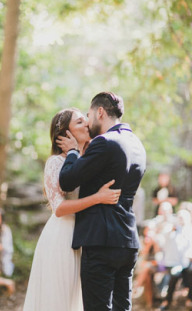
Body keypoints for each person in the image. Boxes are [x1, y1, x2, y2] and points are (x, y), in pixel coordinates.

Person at [23, 108, 122, 311]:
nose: (87, 123)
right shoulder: (56, 162)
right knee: (59, 298)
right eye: (79, 122)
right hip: (62, 238)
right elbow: (58, 208)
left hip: (86, 236)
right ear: (65, 134)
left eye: (85, 119)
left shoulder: (90, 159)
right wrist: (98, 198)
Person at [58, 92, 146, 311]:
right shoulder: (137, 145)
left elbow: (67, 181)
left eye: (88, 115)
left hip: (101, 242)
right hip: (128, 242)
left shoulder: (105, 143)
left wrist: (71, 152)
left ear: (100, 112)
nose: (87, 121)